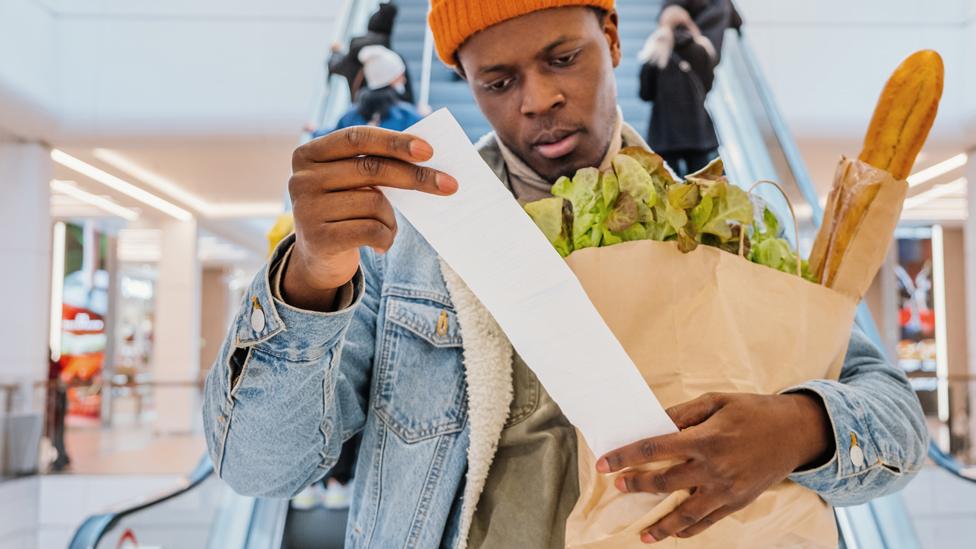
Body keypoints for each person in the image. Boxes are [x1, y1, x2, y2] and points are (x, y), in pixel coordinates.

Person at [204, 2, 927, 547]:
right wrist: (310, 275)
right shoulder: (401, 242)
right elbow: (260, 468)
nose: (537, 99)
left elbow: (897, 421)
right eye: (498, 80)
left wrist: (799, 428)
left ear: (611, 42)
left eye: (562, 58)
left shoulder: (716, 221)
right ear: (465, 83)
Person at [638, 0, 741, 177]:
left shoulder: (654, 53)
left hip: (665, 137)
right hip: (699, 135)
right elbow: (707, 86)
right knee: (708, 192)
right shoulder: (702, 50)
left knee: (667, 194)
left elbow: (645, 93)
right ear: (689, 22)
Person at [309, 46, 423, 139]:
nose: (404, 80)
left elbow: (331, 137)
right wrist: (425, 116)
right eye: (400, 76)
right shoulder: (405, 114)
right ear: (390, 78)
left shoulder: (351, 115)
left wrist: (314, 131)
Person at [327, 1, 416, 104]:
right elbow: (408, 99)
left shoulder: (353, 57)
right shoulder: (394, 61)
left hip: (360, 115)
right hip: (389, 117)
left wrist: (336, 53)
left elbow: (334, 65)